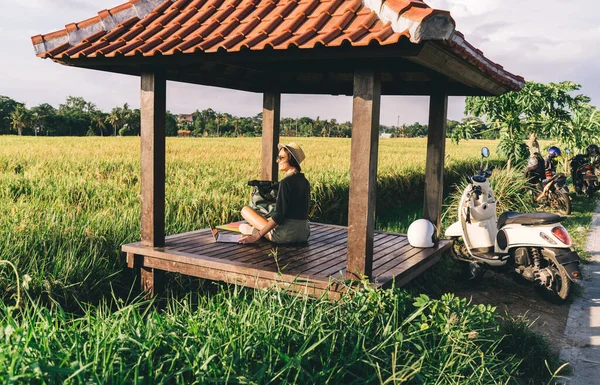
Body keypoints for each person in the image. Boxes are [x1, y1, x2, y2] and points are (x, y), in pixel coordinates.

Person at [238, 142, 310, 244]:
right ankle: (257, 231)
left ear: (291, 159)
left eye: (281, 158)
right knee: (266, 219)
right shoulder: (305, 182)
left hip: (286, 236)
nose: (278, 161)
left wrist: (256, 237)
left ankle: (255, 232)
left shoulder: (286, 182)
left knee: (245, 211)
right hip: (303, 234)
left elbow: (279, 216)